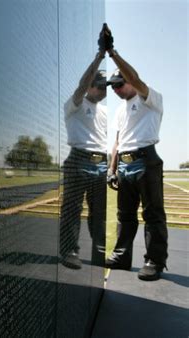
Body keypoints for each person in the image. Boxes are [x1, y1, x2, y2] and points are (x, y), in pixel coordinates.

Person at [102, 24, 168, 281]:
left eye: (119, 84)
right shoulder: (120, 110)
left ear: (129, 80)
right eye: (113, 87)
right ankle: (121, 256)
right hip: (126, 165)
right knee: (124, 215)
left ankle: (154, 260)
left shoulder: (148, 96)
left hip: (147, 161)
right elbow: (117, 141)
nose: (116, 90)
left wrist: (112, 52)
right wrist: (111, 169)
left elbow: (137, 78)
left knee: (152, 214)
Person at [60, 47, 107, 270]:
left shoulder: (105, 112)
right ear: (89, 86)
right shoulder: (74, 104)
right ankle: (70, 251)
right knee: (72, 208)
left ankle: (98, 254)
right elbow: (81, 84)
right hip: (78, 158)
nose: (104, 90)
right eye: (99, 85)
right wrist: (99, 57)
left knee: (99, 212)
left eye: (105, 86)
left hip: (100, 161)